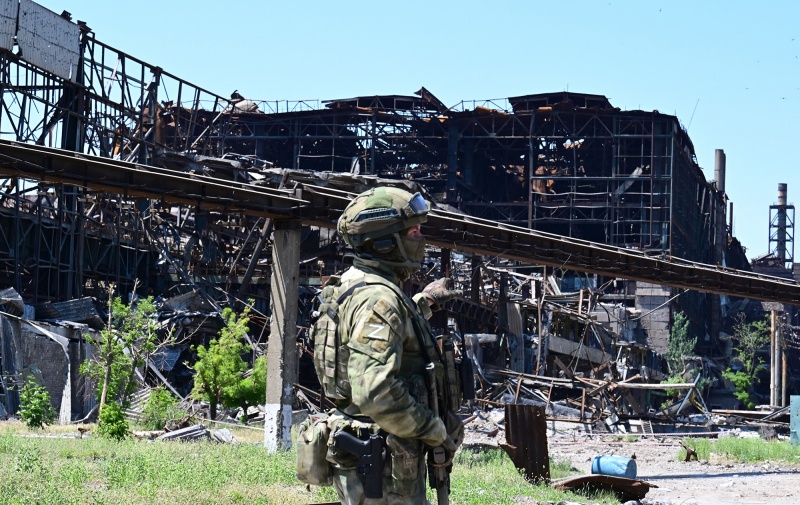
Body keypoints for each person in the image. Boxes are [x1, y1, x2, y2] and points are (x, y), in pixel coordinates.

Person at [326, 186, 464, 504]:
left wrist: (426, 301)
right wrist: (432, 426)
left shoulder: (353, 283)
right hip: (385, 463)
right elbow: (375, 392)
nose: (421, 238)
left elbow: (390, 328)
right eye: (413, 231)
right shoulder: (379, 299)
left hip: (371, 453)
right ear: (386, 242)